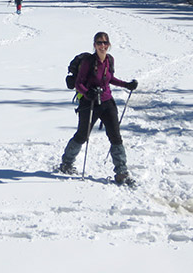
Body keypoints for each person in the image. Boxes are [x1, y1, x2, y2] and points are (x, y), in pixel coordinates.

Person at [59, 31, 139, 185]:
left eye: (105, 43)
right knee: (82, 136)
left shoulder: (109, 60)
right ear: (94, 45)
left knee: (116, 137)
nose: (102, 46)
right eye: (99, 43)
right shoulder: (88, 62)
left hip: (107, 101)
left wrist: (127, 85)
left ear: (109, 45)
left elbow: (110, 78)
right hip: (89, 103)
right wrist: (87, 92)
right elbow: (78, 83)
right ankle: (66, 163)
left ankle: (121, 172)